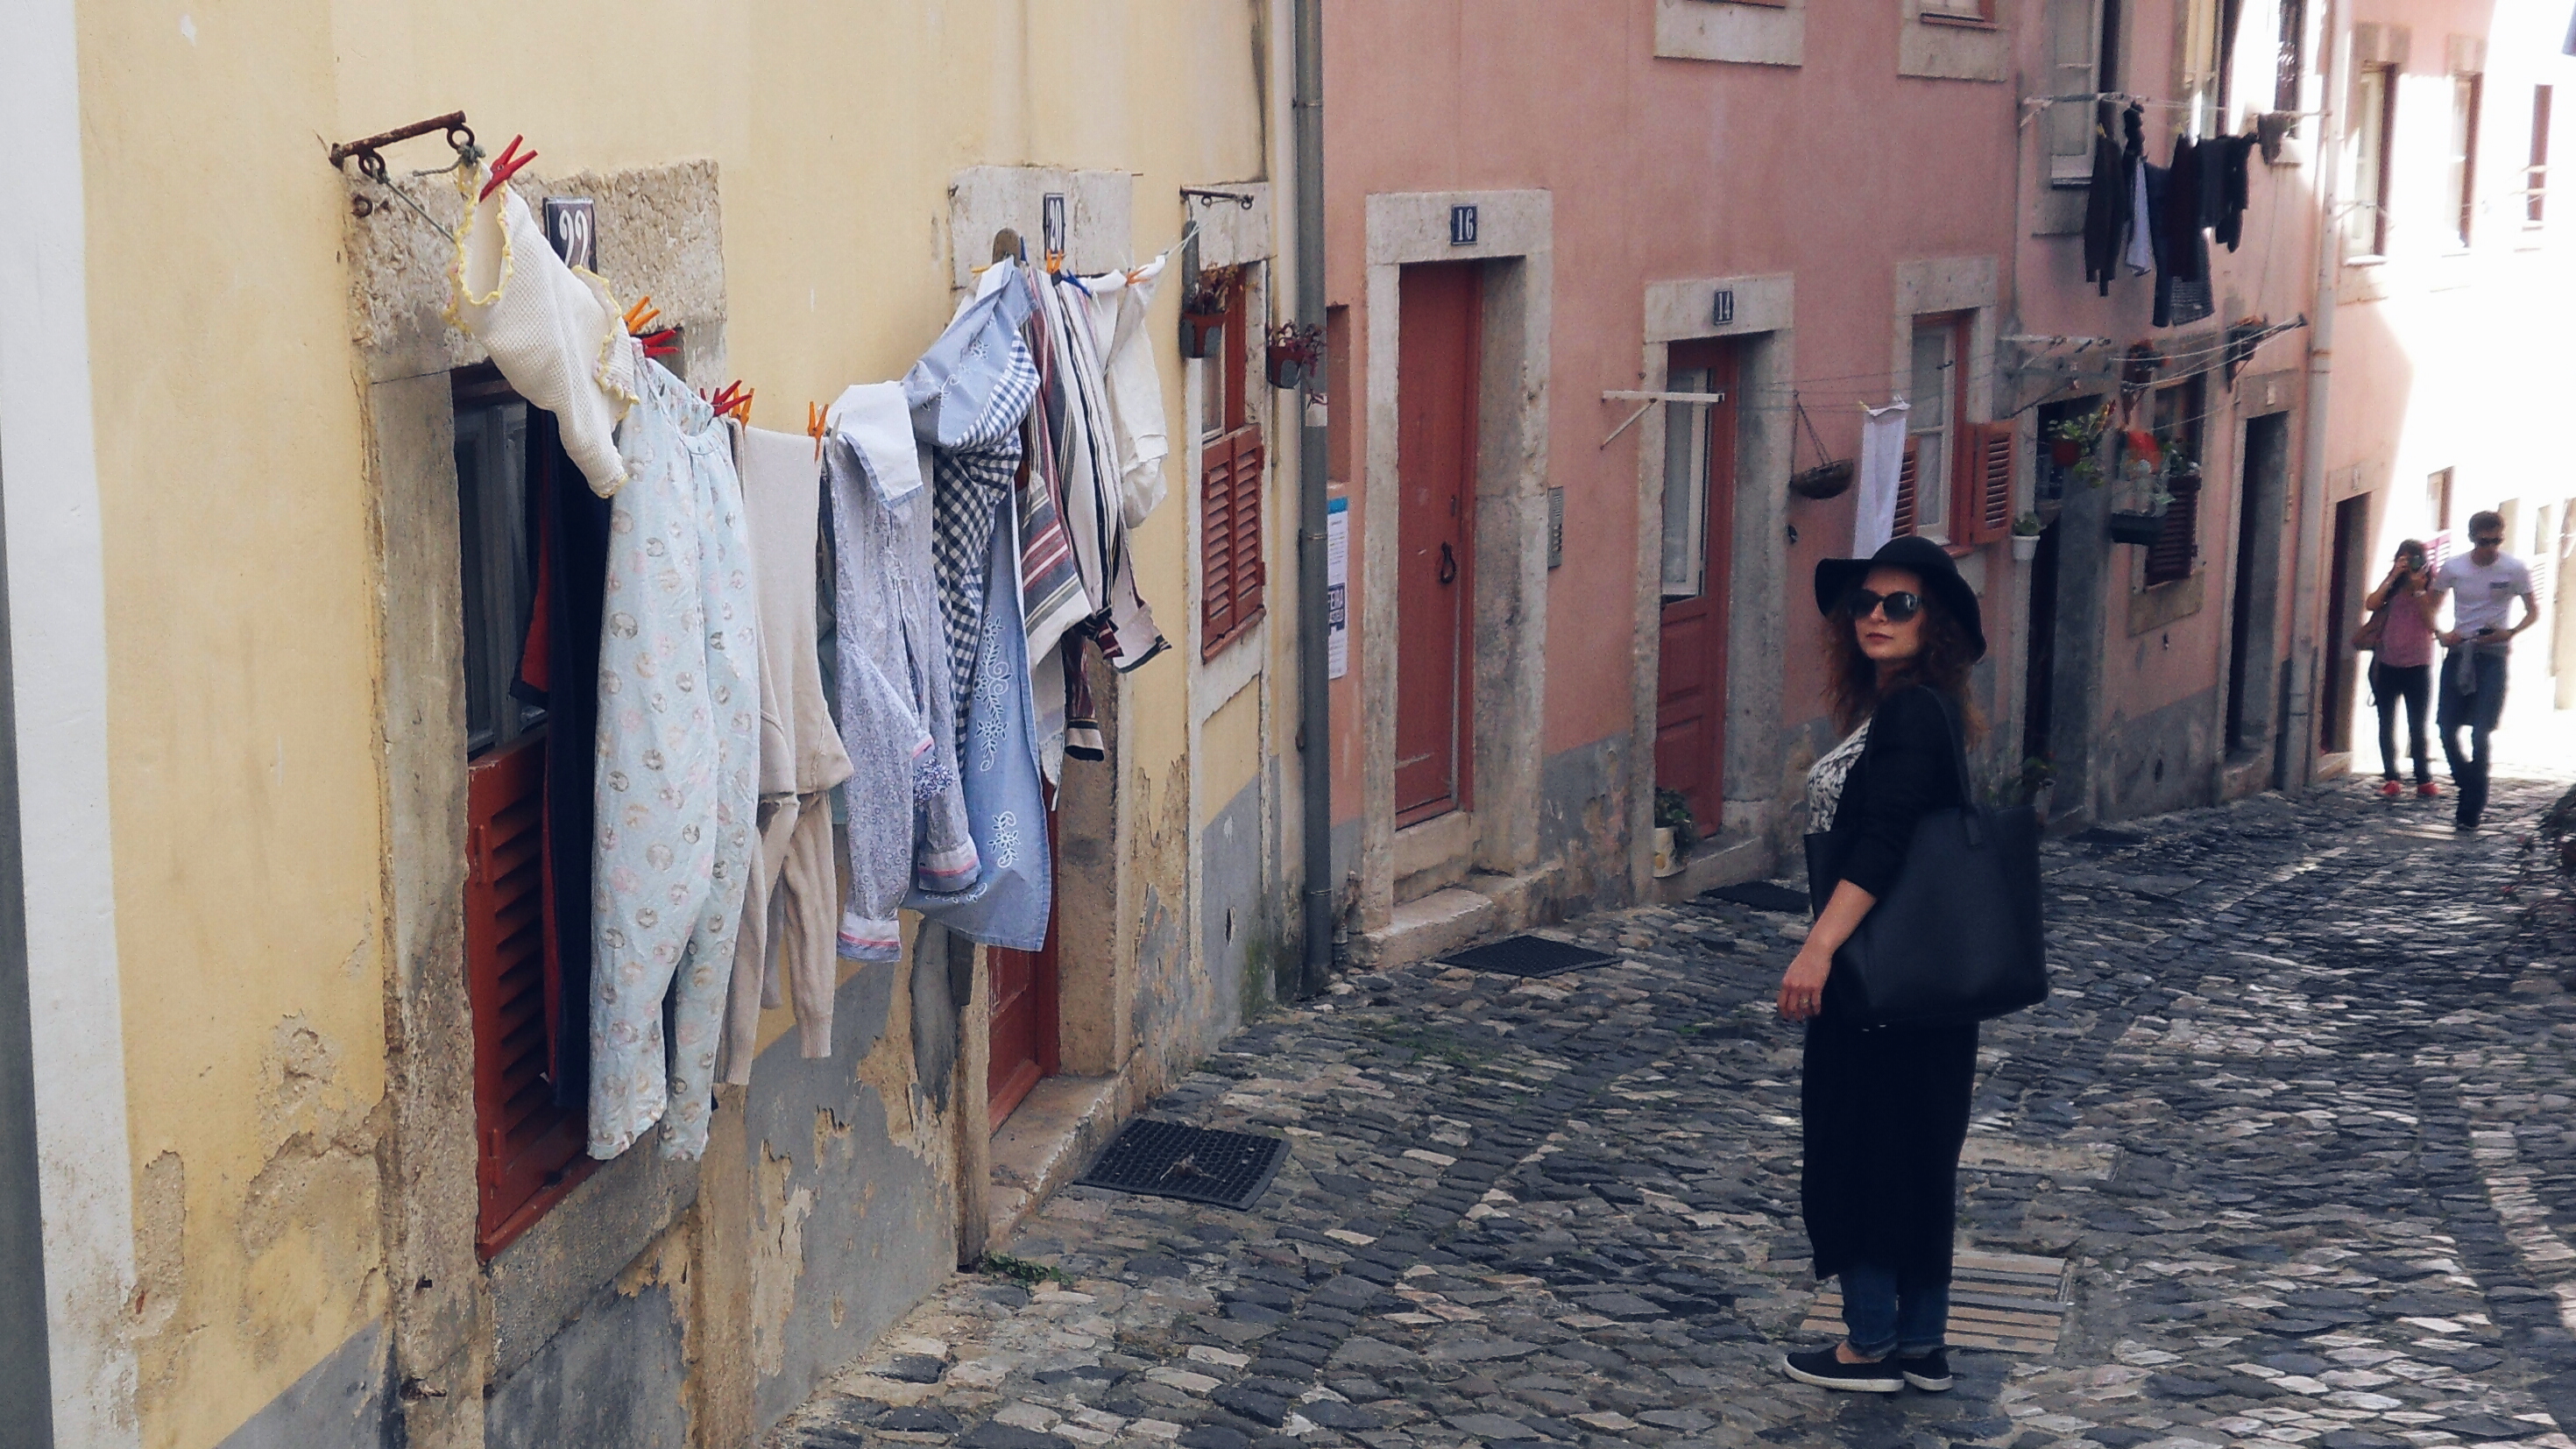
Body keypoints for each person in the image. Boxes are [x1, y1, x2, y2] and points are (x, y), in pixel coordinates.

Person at [1778, 534, 1985, 1395]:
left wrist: (1817, 947)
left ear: (1932, 620)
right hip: (1932, 985)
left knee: (1858, 1150)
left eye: (1899, 604)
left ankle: (1868, 1342)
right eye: (1865, 602)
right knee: (1920, 1155)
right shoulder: (1924, 710)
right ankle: (1922, 1345)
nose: (1875, 616)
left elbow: (1885, 840)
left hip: (1877, 979)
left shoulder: (1907, 715)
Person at [2426, 511, 2538, 830]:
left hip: (2493, 653)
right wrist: (2441, 633)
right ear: (2472, 538)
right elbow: (2431, 606)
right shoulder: (2455, 567)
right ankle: (2469, 783)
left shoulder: (2514, 569)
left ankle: (2470, 808)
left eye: (2496, 541)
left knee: (2480, 730)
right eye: (2483, 541)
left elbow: (2533, 611)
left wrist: (2510, 632)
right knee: (2446, 727)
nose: (2490, 548)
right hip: (2460, 650)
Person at [2363, 540, 2439, 799]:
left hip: (2418, 665)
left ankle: (2423, 779)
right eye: (2405, 560)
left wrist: (2419, 590)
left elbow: (2430, 622)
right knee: (2386, 722)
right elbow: (2371, 604)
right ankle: (2392, 777)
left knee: (2417, 725)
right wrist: (2393, 575)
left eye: (2415, 560)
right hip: (2386, 663)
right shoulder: (2393, 585)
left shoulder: (2431, 586)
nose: (2410, 565)